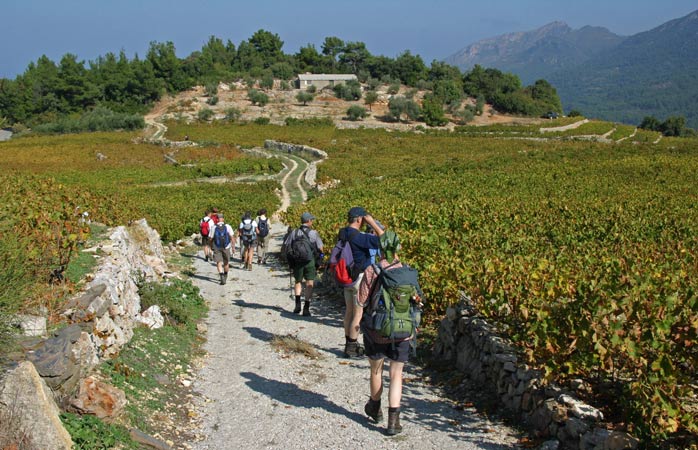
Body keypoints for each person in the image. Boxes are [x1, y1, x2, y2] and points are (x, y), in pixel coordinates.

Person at [358, 231, 419, 435]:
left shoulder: (372, 270)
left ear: (380, 249)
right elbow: (417, 301)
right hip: (402, 330)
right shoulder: (408, 272)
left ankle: (374, 408)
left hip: (377, 328)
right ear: (398, 249)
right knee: (396, 374)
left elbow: (362, 300)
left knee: (376, 370)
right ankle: (393, 421)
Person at [338, 206, 384, 357]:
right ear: (359, 219)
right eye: (363, 220)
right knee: (358, 314)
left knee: (349, 312)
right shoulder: (359, 237)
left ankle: (348, 344)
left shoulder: (342, 233)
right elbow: (385, 240)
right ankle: (351, 347)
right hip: (359, 279)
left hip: (347, 279)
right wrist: (373, 224)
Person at [284, 212, 323, 317]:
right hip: (310, 261)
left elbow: (287, 245)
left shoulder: (294, 232)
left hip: (297, 261)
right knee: (309, 283)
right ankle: (306, 308)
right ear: (309, 221)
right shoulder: (314, 233)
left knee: (298, 281)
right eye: (312, 220)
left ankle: (297, 305)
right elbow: (320, 248)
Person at [209, 213, 235, 285]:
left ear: (216, 219)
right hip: (226, 247)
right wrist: (233, 247)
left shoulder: (213, 227)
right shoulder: (228, 226)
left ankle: (221, 275)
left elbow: (210, 238)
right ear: (223, 219)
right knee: (226, 262)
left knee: (219, 262)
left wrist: (211, 246)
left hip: (217, 247)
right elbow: (232, 237)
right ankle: (225, 275)